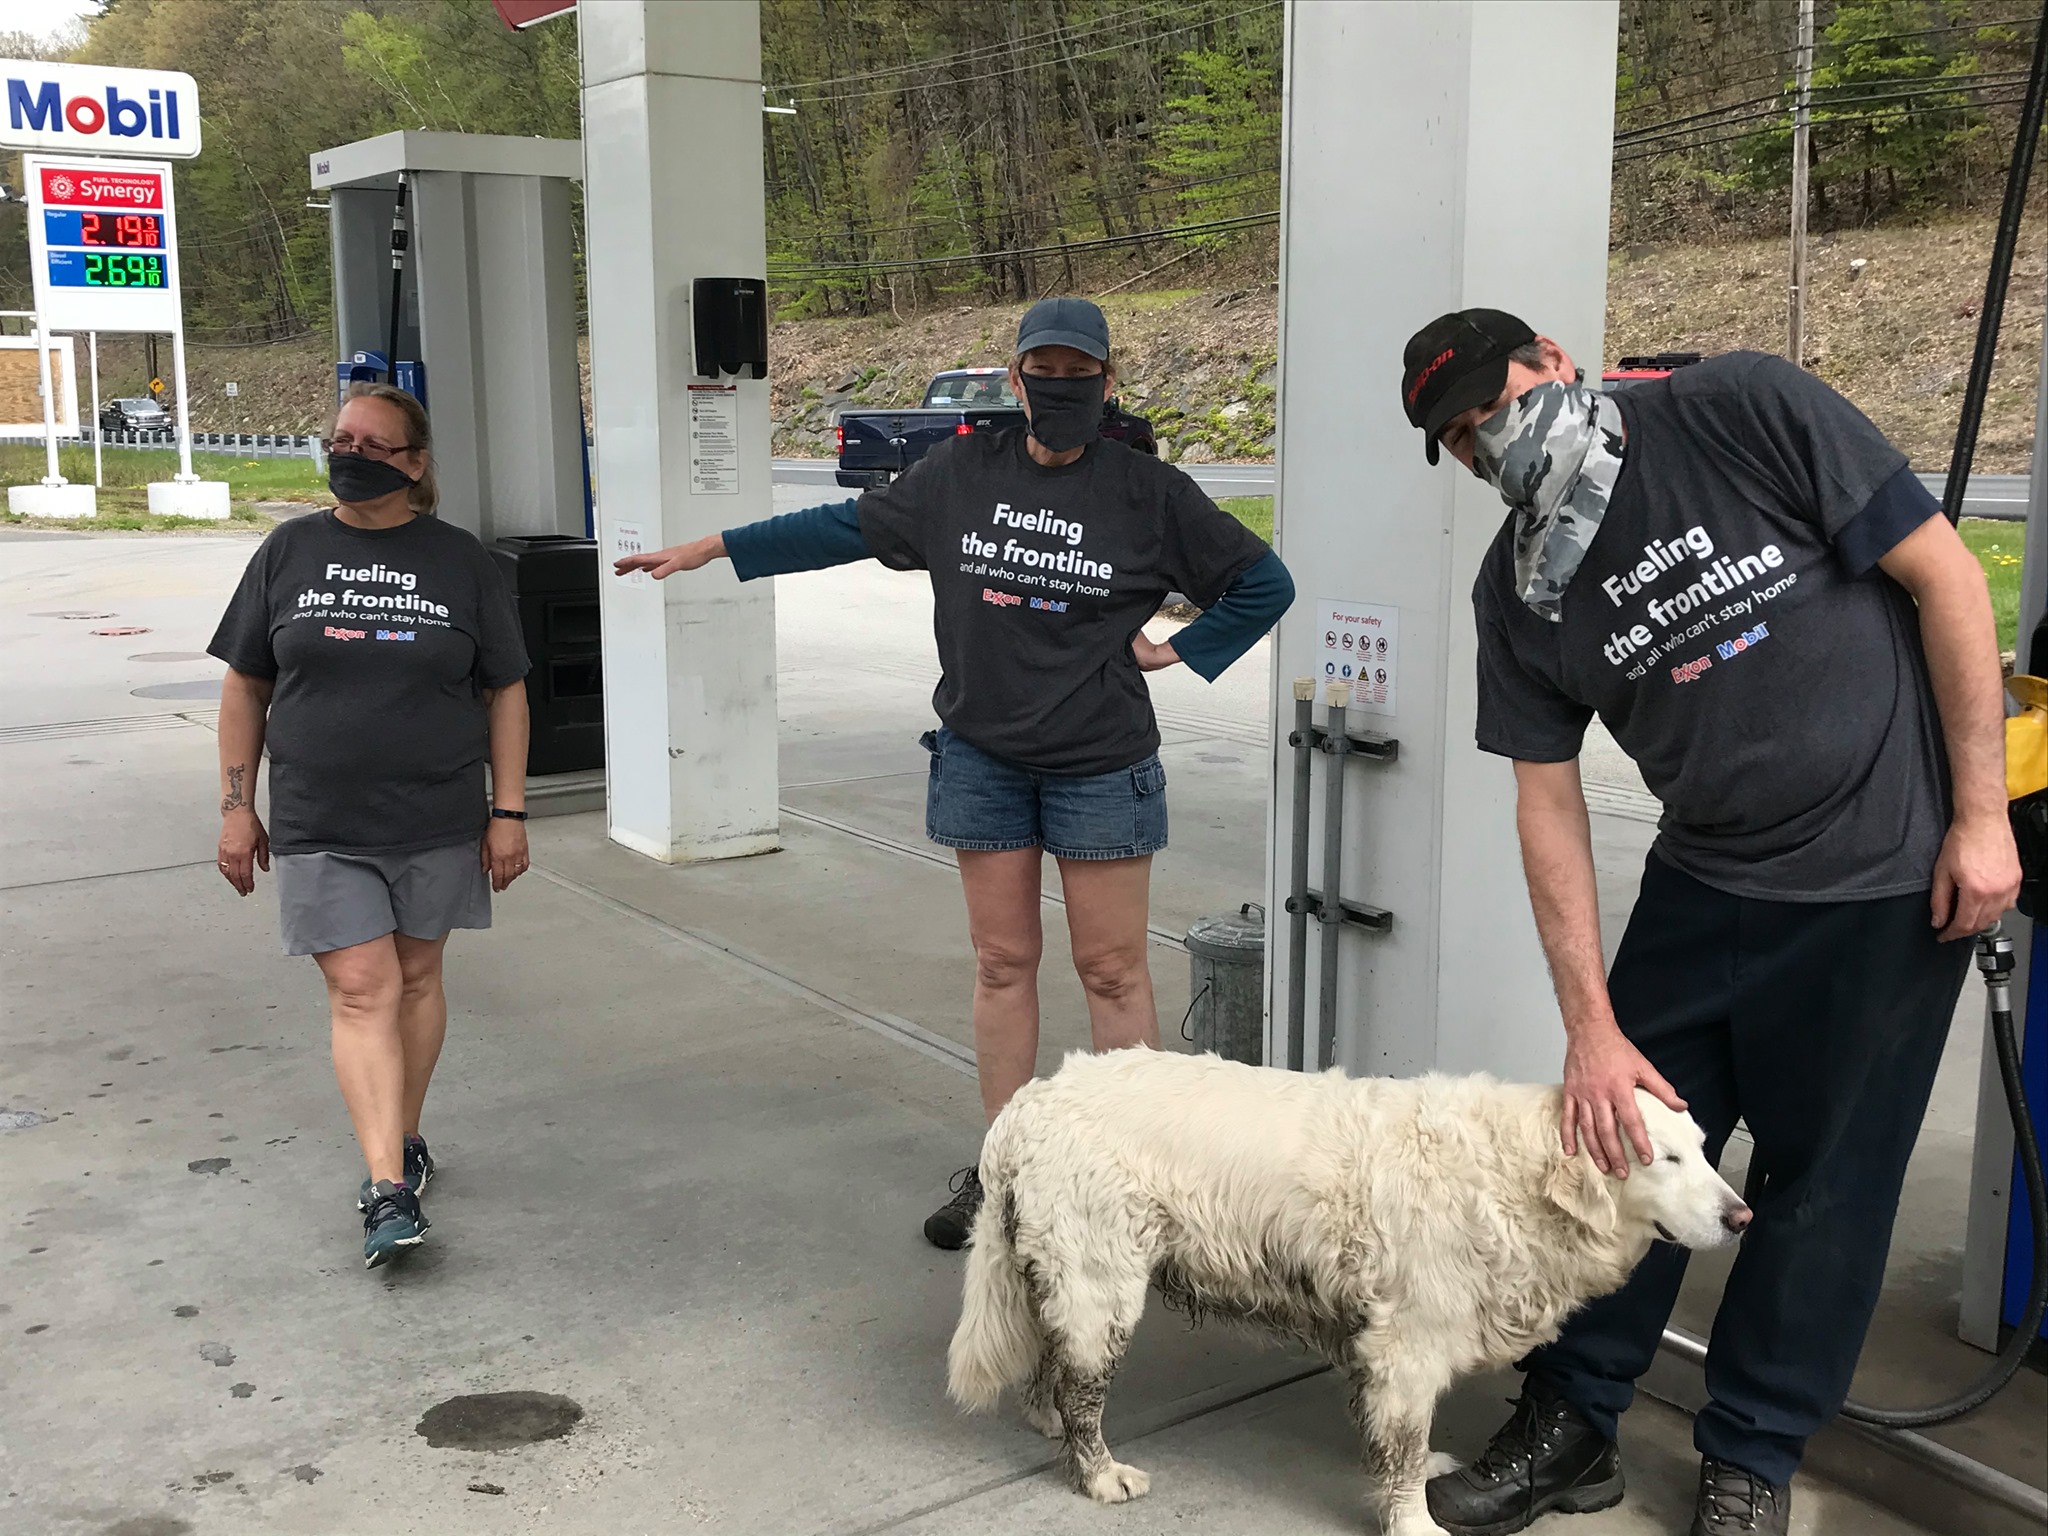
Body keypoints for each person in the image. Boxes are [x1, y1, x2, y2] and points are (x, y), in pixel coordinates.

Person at [1397, 310, 2019, 1536]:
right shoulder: (1517, 589)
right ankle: (1571, 1420)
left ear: (1554, 361)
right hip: (1703, 879)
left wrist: (1980, 816)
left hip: (1879, 878)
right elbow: (1543, 800)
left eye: (1493, 404)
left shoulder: (1737, 409)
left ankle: (1750, 1453)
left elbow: (1944, 576)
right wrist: (1588, 1027)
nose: (1487, 443)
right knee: (1614, 1145)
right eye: (1459, 438)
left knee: (1821, 1186)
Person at [616, 297, 1296, 1249]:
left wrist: (1178, 648)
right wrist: (719, 547)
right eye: (1043, 374)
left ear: (1109, 382)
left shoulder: (1150, 493)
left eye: (1079, 374)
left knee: (1110, 970)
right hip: (983, 757)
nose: (1060, 389)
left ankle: (1137, 1182)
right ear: (1014, 380)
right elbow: (845, 527)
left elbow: (1263, 583)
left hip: (1100, 763)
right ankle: (1007, 1172)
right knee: (1002, 963)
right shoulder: (962, 472)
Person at [208, 383, 535, 1271]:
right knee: (361, 988)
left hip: (436, 814)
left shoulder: (460, 560)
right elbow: (246, 684)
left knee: (418, 978)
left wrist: (507, 811)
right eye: (339, 440)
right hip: (320, 818)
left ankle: (405, 1136)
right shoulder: (289, 550)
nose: (348, 454)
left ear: (415, 463)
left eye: (372, 444)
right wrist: (237, 806)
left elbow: (506, 690)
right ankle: (388, 1186)